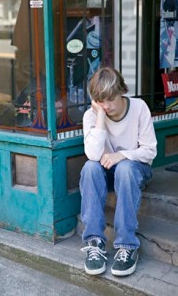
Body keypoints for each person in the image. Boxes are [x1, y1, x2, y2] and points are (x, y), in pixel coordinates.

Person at [79, 67, 157, 277]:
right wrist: (101, 120)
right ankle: (95, 243)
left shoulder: (139, 107)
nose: (107, 106)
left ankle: (127, 246)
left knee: (124, 168)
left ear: (121, 91)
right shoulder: (92, 116)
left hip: (136, 170)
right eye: (100, 101)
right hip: (107, 171)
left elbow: (150, 151)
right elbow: (93, 155)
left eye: (111, 99)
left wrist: (121, 156)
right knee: (89, 168)